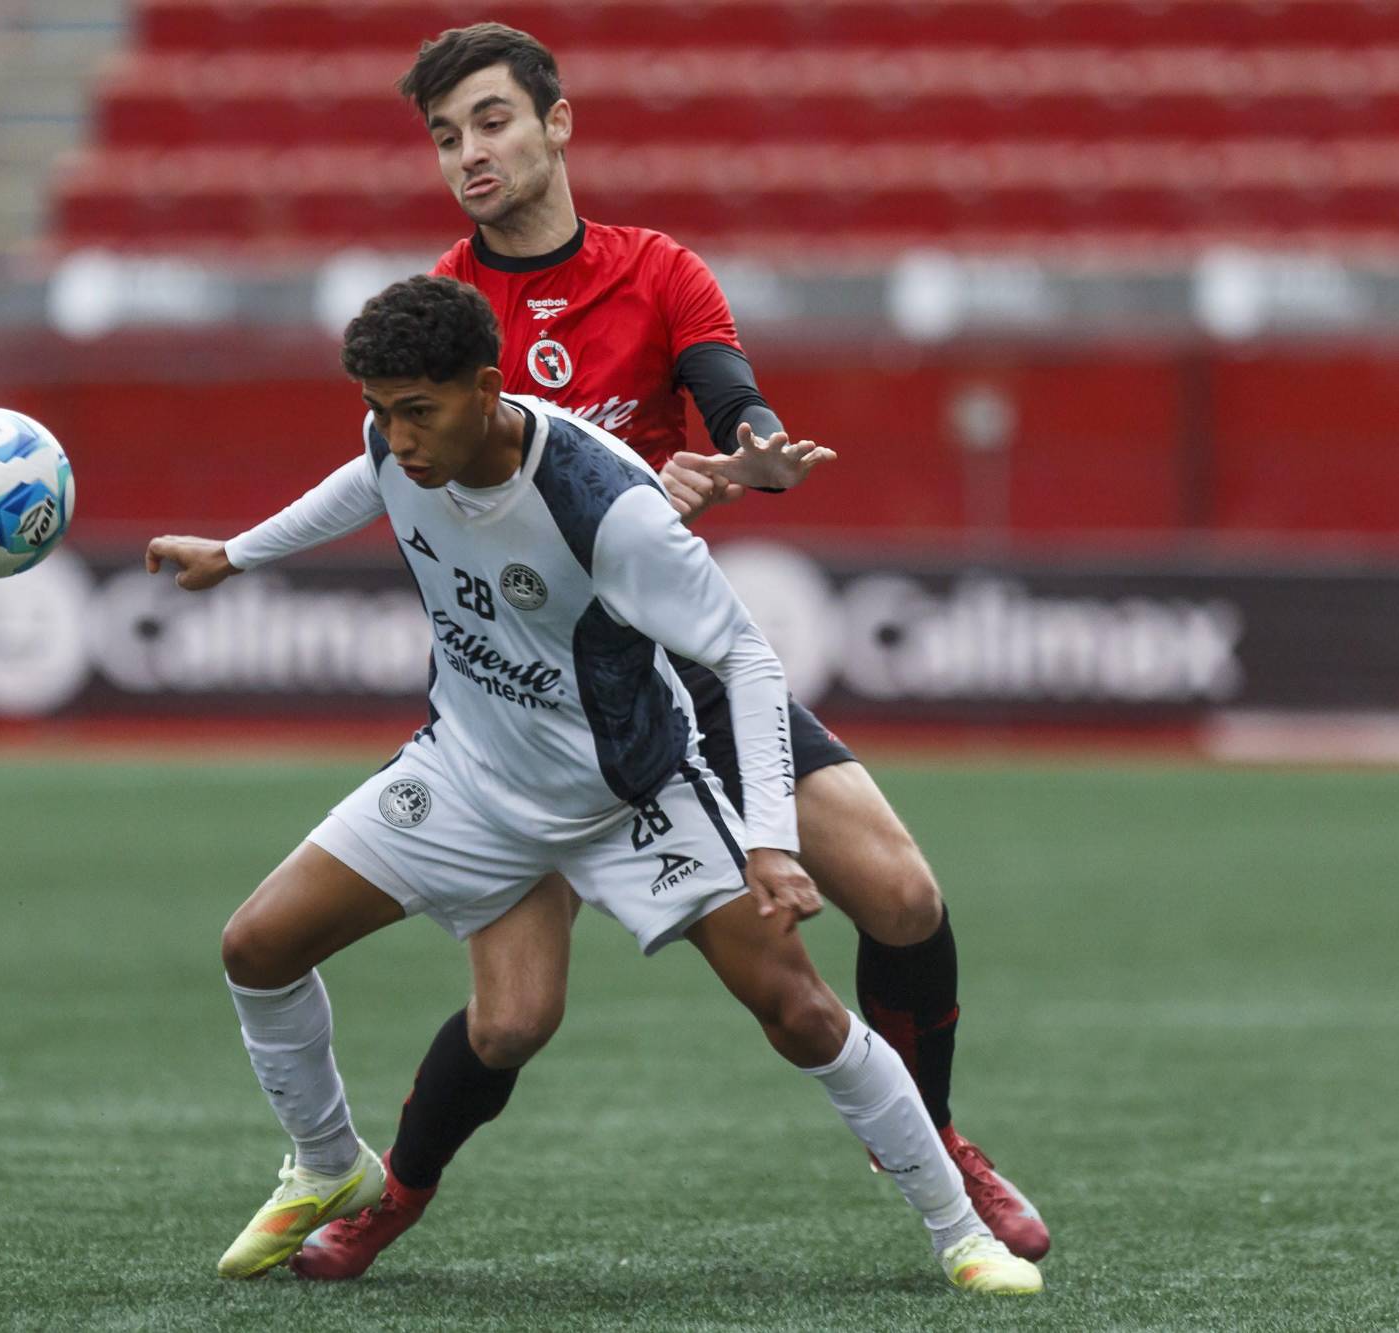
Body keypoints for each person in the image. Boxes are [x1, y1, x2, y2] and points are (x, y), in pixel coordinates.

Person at [293, 24, 1049, 1283]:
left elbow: (723, 382)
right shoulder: (434, 313)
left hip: (678, 671)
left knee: (905, 896)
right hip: (529, 700)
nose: (468, 153)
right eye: (444, 135)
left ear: (556, 123)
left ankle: (933, 1139)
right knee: (513, 1018)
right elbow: (426, 494)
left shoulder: (655, 271)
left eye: (490, 121)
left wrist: (743, 448)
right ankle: (395, 1192)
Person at [147, 275, 1040, 1295]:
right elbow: (363, 483)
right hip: (469, 775)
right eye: (379, 411)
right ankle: (327, 1162)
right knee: (257, 946)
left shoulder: (603, 503)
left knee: (797, 1008)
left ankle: (957, 1230)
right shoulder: (397, 445)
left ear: (487, 389)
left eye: (416, 411)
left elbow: (746, 659)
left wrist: (765, 838)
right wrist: (236, 554)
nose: (395, 438)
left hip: (628, 797)